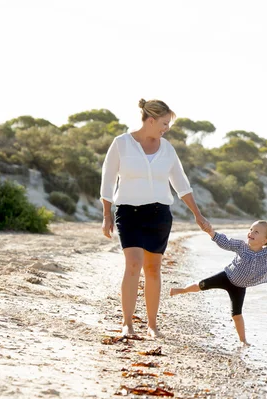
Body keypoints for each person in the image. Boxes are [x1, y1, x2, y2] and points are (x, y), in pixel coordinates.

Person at [100, 98, 211, 338]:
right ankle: (127, 323)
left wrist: (198, 215)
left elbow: (181, 184)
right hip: (129, 212)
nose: (166, 128)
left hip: (159, 214)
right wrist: (106, 214)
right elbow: (108, 181)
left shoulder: (167, 149)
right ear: (150, 120)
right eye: (163, 123)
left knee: (153, 269)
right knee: (133, 264)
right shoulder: (121, 144)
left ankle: (152, 325)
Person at [170, 220, 267, 346]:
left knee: (236, 314)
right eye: (250, 229)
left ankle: (243, 340)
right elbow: (226, 243)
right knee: (202, 284)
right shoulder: (241, 246)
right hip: (226, 277)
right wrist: (211, 233)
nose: (251, 233)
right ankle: (182, 290)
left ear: (265, 241)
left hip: (239, 287)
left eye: (256, 232)